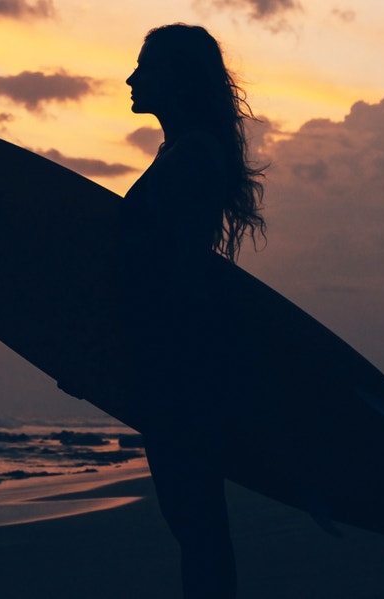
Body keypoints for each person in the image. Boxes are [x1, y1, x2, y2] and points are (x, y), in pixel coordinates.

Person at [122, 23, 266, 599]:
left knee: (197, 524)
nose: (132, 77)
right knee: (195, 525)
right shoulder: (187, 151)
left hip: (180, 367)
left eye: (145, 66)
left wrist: (146, 361)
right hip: (181, 362)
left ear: (177, 78)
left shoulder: (193, 157)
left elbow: (173, 273)